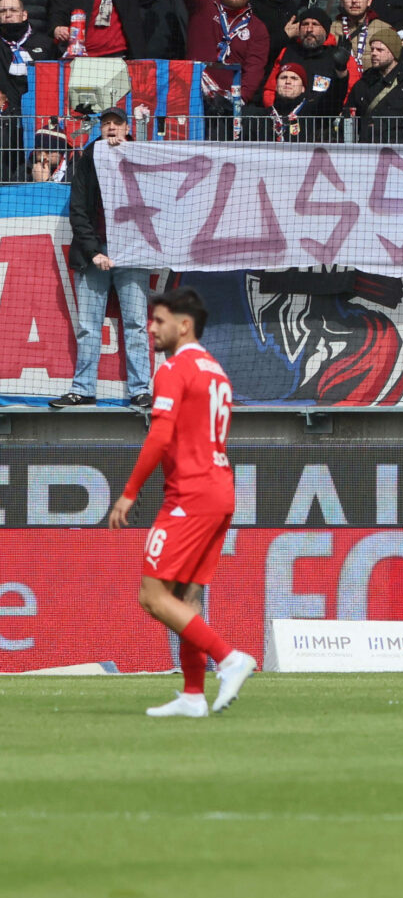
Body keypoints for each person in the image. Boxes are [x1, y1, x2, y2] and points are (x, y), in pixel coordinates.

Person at [105, 287, 257, 717]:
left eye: (159, 320)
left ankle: (229, 659)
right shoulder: (217, 370)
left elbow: (159, 434)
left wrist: (130, 493)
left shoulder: (173, 368)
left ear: (183, 324)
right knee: (186, 595)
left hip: (190, 494)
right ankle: (193, 695)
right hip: (220, 488)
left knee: (152, 595)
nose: (151, 328)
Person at [58, 109, 153, 409]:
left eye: (117, 124)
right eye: (106, 124)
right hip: (93, 254)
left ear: (126, 129)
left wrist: (140, 133)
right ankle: (83, 389)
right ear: (100, 129)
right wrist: (93, 252)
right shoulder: (87, 160)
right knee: (88, 325)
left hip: (132, 253)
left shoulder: (141, 155)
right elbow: (79, 212)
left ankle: (141, 391)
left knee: (136, 324)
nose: (111, 128)